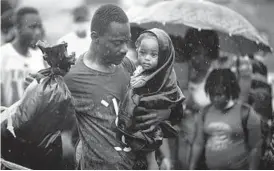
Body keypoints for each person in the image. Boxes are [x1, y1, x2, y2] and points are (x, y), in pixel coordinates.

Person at [116, 28, 184, 169]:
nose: (147, 58)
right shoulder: (136, 71)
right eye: (142, 52)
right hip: (128, 142)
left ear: (164, 56)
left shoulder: (167, 79)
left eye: (154, 54)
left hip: (151, 140)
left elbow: (178, 113)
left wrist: (165, 113)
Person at [189, 69, 262, 170]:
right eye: (212, 94)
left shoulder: (246, 113)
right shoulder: (204, 112)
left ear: (230, 92)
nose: (215, 99)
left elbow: (256, 147)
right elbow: (199, 143)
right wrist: (192, 166)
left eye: (219, 95)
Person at [176, 28, 220, 169]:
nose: (193, 59)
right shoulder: (184, 74)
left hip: (205, 148)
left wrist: (193, 105)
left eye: (197, 53)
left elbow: (218, 113)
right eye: (191, 53)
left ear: (210, 53)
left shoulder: (217, 79)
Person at [0, 7, 45, 107]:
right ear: (18, 28)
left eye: (39, 27)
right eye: (32, 27)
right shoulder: (3, 55)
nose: (38, 32)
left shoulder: (39, 57)